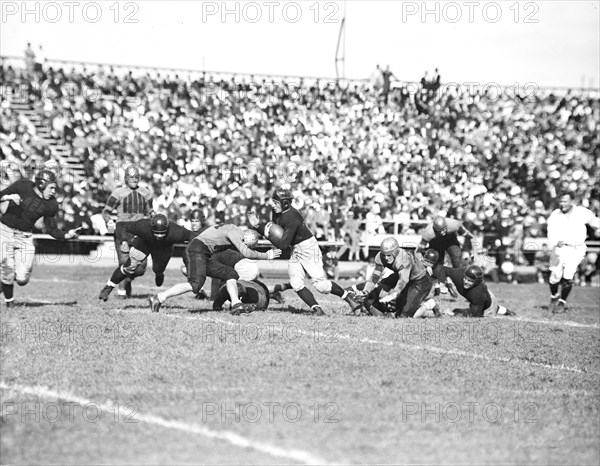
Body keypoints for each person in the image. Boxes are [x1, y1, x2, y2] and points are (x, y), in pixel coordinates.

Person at [248, 188, 361, 316]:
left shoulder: (292, 217)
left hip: (308, 247)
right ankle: (317, 309)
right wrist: (257, 226)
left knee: (321, 286)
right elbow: (276, 233)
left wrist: (262, 229)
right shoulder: (277, 212)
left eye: (276, 202)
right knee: (296, 284)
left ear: (285, 203)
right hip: (296, 248)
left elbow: (282, 244)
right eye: (273, 202)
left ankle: (349, 297)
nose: (273, 205)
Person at [148, 224, 281, 314]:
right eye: (247, 245)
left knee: (231, 274)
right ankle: (159, 298)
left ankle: (236, 303)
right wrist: (266, 255)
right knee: (195, 284)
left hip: (202, 252)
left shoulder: (233, 228)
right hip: (197, 250)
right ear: (245, 239)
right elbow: (246, 253)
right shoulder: (235, 233)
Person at [0, 169, 81, 307]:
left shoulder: (51, 204)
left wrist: (67, 235)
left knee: (22, 278)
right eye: (52, 187)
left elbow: (51, 228)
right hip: (5, 232)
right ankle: (10, 302)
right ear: (42, 184)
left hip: (25, 237)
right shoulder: (22, 186)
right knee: (7, 269)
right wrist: (8, 197)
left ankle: (5, 284)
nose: (54, 191)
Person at [98, 214, 195, 301]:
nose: (159, 236)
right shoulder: (142, 226)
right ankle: (108, 287)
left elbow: (194, 237)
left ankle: (159, 273)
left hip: (164, 248)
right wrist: (124, 241)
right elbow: (120, 225)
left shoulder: (177, 231)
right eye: (157, 233)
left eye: (162, 233)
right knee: (130, 265)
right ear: (151, 228)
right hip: (144, 242)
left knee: (158, 269)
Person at [101, 165, 154, 299]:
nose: (134, 180)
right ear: (126, 178)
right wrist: (109, 221)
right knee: (124, 261)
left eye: (136, 177)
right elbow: (106, 211)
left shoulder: (146, 193)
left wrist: (154, 216)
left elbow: (150, 211)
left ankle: (128, 278)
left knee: (141, 268)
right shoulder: (117, 193)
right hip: (123, 230)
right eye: (131, 177)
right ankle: (122, 293)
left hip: (140, 231)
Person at [348, 237, 432, 318]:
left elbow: (403, 280)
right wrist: (366, 290)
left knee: (404, 315)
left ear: (395, 252)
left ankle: (428, 306)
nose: (386, 258)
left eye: (388, 255)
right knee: (372, 296)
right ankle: (382, 314)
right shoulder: (380, 256)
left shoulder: (403, 259)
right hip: (399, 276)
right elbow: (375, 277)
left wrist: (394, 293)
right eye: (384, 255)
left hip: (419, 281)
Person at [546, 192, 600, 313]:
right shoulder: (556, 214)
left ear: (572, 201)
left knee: (568, 274)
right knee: (555, 276)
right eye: (561, 201)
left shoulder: (582, 212)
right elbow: (550, 231)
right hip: (559, 248)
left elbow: (595, 223)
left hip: (577, 248)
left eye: (565, 201)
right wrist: (554, 241)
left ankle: (562, 303)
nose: (562, 204)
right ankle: (554, 297)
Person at [430, 263, 515, 317]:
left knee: (485, 312)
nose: (466, 282)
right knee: (457, 310)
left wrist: (455, 314)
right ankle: (501, 309)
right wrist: (441, 284)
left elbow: (475, 315)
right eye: (465, 278)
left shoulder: (478, 294)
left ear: (476, 282)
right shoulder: (458, 274)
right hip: (483, 297)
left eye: (470, 281)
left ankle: (502, 310)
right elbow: (442, 269)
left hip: (488, 306)